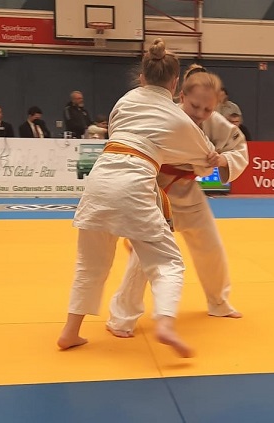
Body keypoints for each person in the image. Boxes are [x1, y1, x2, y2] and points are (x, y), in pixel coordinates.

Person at [57, 39, 218, 357]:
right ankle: (166, 324)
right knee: (168, 263)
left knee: (89, 265)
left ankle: (70, 332)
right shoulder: (176, 117)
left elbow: (118, 133)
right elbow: (204, 154)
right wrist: (211, 157)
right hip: (134, 183)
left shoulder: (124, 101)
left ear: (142, 77)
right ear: (175, 84)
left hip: (100, 179)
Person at [107, 64, 249, 338]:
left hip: (189, 193)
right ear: (181, 96)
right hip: (157, 192)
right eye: (195, 106)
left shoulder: (216, 123)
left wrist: (222, 159)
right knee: (144, 258)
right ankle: (121, 319)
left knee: (211, 248)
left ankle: (218, 302)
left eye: (207, 109)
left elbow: (238, 148)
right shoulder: (162, 115)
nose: (200, 113)